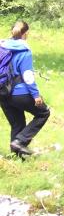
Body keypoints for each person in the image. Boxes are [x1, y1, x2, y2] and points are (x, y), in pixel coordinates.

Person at [2, 22, 50, 158]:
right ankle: (20, 142)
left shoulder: (3, 47)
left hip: (3, 92)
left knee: (17, 123)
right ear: (26, 33)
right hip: (19, 92)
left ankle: (16, 158)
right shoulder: (25, 51)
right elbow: (27, 76)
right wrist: (36, 95)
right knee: (43, 113)